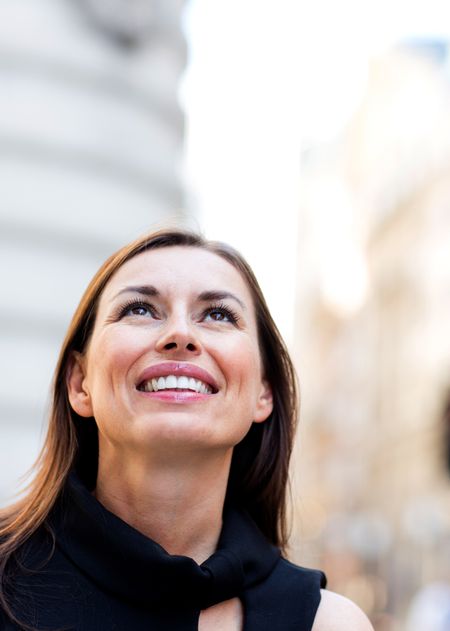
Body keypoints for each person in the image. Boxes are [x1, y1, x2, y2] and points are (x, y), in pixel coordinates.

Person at [0, 229, 373, 630]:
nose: (180, 335)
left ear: (263, 393)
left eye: (218, 315)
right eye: (140, 309)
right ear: (79, 383)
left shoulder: (328, 623)